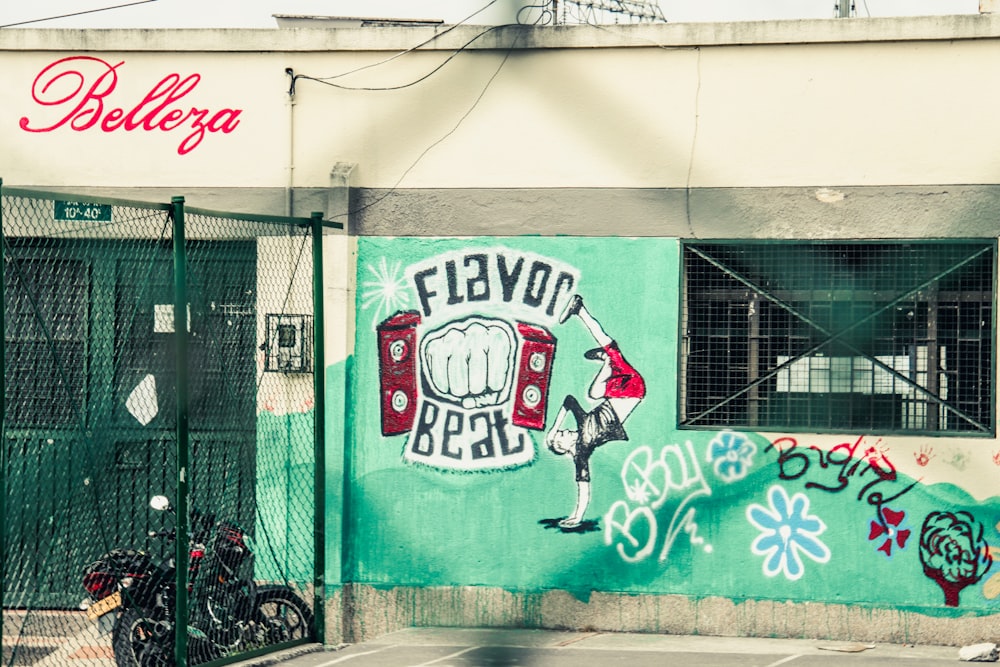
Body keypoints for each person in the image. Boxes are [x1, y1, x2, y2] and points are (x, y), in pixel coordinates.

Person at [546, 294, 646, 528]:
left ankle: (605, 360)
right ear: (564, 447)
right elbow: (583, 485)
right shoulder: (581, 451)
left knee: (594, 392)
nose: (565, 431)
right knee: (607, 347)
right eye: (563, 435)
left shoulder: (582, 426)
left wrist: (553, 429)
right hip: (631, 389)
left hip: (622, 391)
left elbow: (570, 400)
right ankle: (581, 313)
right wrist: (577, 517)